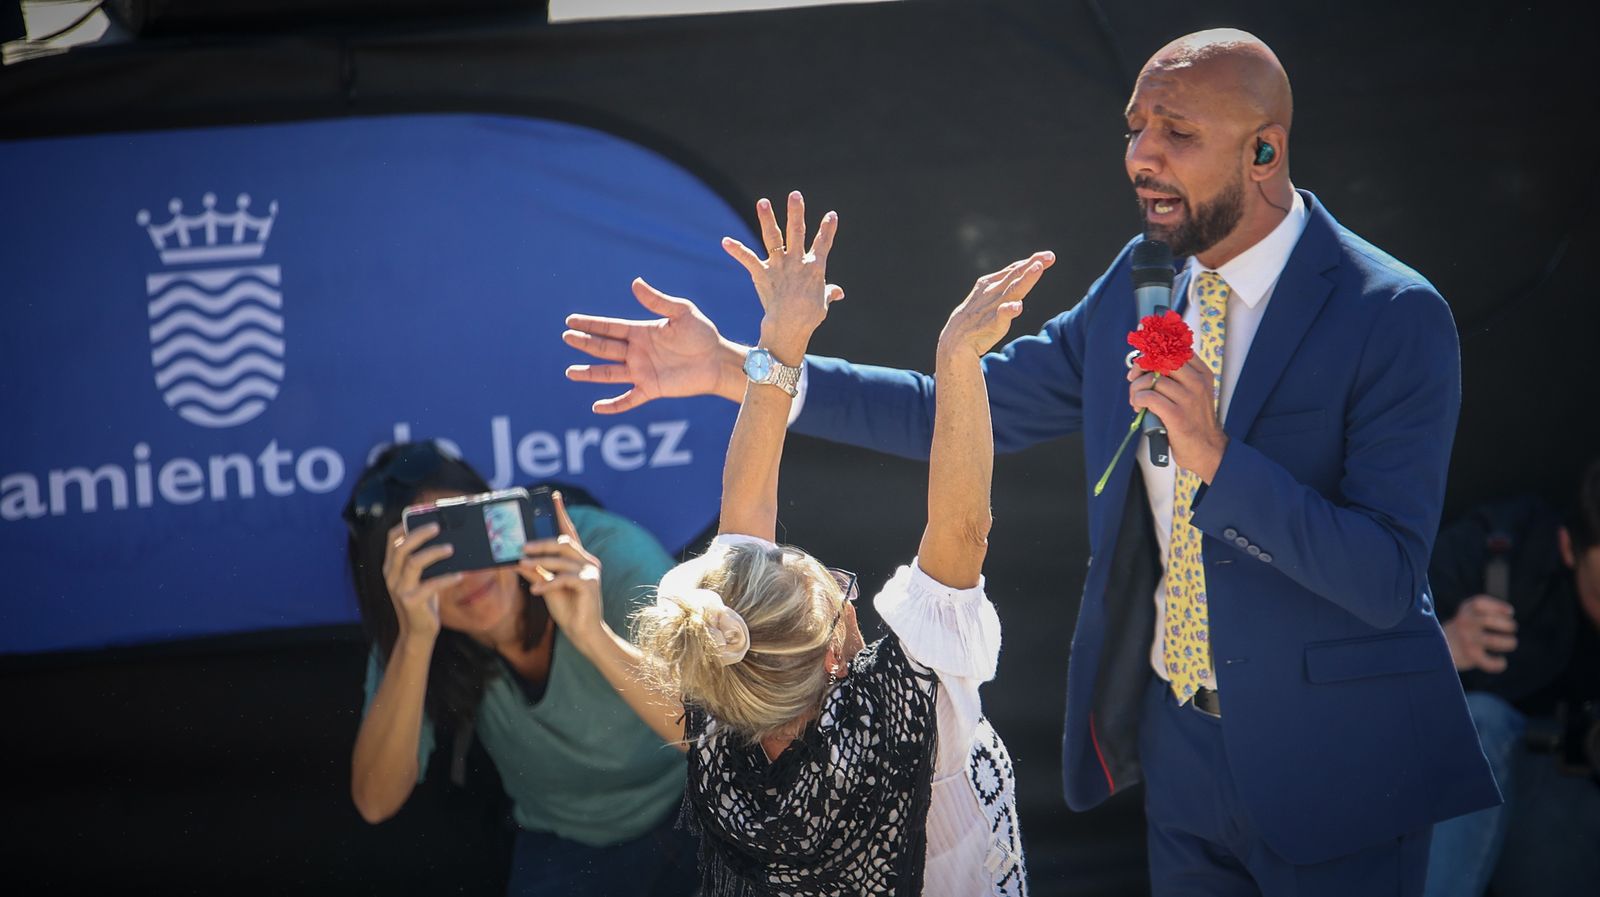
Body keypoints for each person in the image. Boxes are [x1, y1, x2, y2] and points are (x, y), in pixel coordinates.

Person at [562, 28, 1500, 896]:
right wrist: (743, 367)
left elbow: (1385, 579)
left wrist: (1218, 456)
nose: (1141, 155)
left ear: (1265, 151)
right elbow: (959, 411)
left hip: (1337, 767)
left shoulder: (1391, 313)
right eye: (1136, 128)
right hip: (1178, 754)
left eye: (1176, 132)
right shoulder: (1142, 284)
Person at [598, 193, 1033, 895]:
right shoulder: (915, 716)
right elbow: (962, 527)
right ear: (835, 653)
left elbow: (745, 507)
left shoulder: (730, 711)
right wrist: (957, 357)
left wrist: (782, 340)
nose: (840, 580)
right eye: (836, 584)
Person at [342, 442, 697, 897]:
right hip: (566, 840)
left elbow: (714, 731)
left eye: (468, 534)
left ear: (505, 513)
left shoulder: (604, 552)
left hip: (696, 805)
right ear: (395, 583)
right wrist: (414, 641)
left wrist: (592, 634)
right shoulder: (413, 626)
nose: (466, 575)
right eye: (432, 559)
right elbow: (374, 801)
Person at [1423, 460, 1600, 897]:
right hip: (1474, 803)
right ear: (1568, 547)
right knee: (1480, 722)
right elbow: (1358, 668)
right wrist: (1441, 645)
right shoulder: (1500, 548)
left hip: (1576, 830)